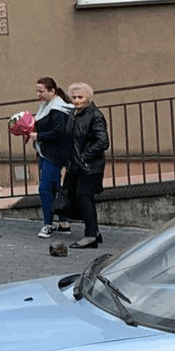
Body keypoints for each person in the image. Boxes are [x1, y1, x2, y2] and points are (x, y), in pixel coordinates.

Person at [64, 82, 109, 248]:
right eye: (74, 97)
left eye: (80, 97)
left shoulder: (95, 115)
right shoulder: (75, 114)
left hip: (90, 166)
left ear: (88, 98)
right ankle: (93, 231)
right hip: (78, 165)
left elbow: (103, 141)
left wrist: (84, 157)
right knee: (81, 198)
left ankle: (90, 235)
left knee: (85, 198)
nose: (77, 100)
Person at [29, 77, 73, 238]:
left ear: (52, 91)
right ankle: (63, 222)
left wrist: (38, 136)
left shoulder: (57, 109)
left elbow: (58, 132)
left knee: (45, 189)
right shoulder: (52, 106)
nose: (38, 94)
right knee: (55, 187)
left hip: (53, 155)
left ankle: (48, 224)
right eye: (37, 90)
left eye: (41, 91)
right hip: (48, 153)